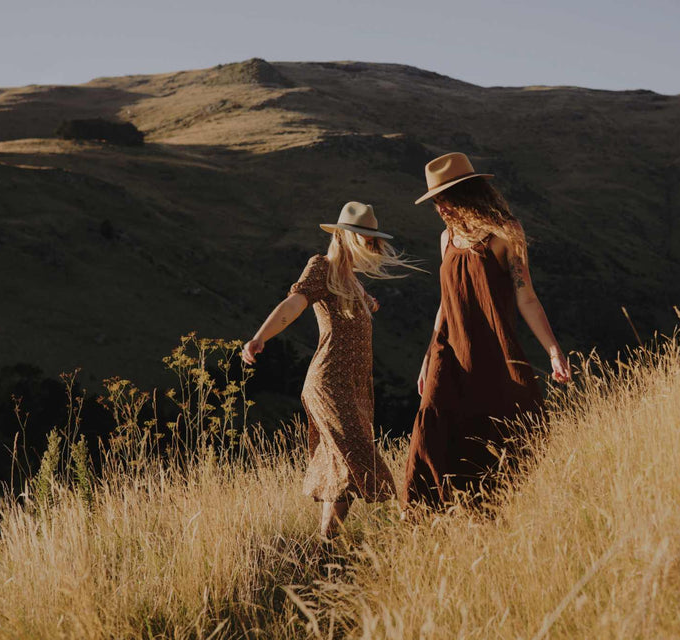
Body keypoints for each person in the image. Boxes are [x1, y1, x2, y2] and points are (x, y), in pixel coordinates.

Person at [404, 152, 571, 509]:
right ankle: (424, 519)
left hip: (492, 351)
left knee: (501, 428)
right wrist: (425, 359)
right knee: (431, 431)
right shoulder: (445, 239)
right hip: (448, 352)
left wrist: (553, 350)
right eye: (435, 202)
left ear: (467, 194)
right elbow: (445, 302)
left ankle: (494, 509)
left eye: (444, 200)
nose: (440, 209)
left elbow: (526, 298)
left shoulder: (505, 234)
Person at [242, 201, 417, 539]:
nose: (369, 245)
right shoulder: (321, 267)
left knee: (342, 466)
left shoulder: (354, 281)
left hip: (355, 385)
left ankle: (326, 541)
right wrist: (259, 337)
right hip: (329, 381)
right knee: (358, 454)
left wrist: (367, 303)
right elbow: (294, 303)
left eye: (371, 239)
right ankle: (404, 521)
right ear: (344, 236)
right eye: (363, 237)